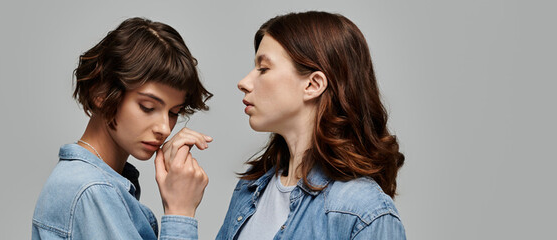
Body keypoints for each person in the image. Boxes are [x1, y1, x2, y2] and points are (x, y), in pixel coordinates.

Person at [217, 11, 407, 239]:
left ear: (313, 84)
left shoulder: (363, 212)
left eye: (264, 69)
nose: (244, 83)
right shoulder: (251, 189)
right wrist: (181, 212)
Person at [32, 17, 213, 240]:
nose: (165, 128)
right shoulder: (92, 190)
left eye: (174, 112)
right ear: (101, 93)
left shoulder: (94, 184)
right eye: (148, 107)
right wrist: (180, 211)